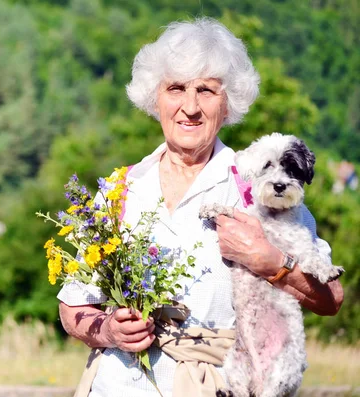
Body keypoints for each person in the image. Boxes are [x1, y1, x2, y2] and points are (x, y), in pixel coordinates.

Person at [57, 17, 344, 397]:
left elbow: (331, 298)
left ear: (228, 104)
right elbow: (73, 307)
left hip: (216, 385)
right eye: (175, 88)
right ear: (154, 98)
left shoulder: (254, 185)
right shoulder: (118, 190)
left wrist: (272, 263)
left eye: (206, 91)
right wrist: (109, 329)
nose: (189, 107)